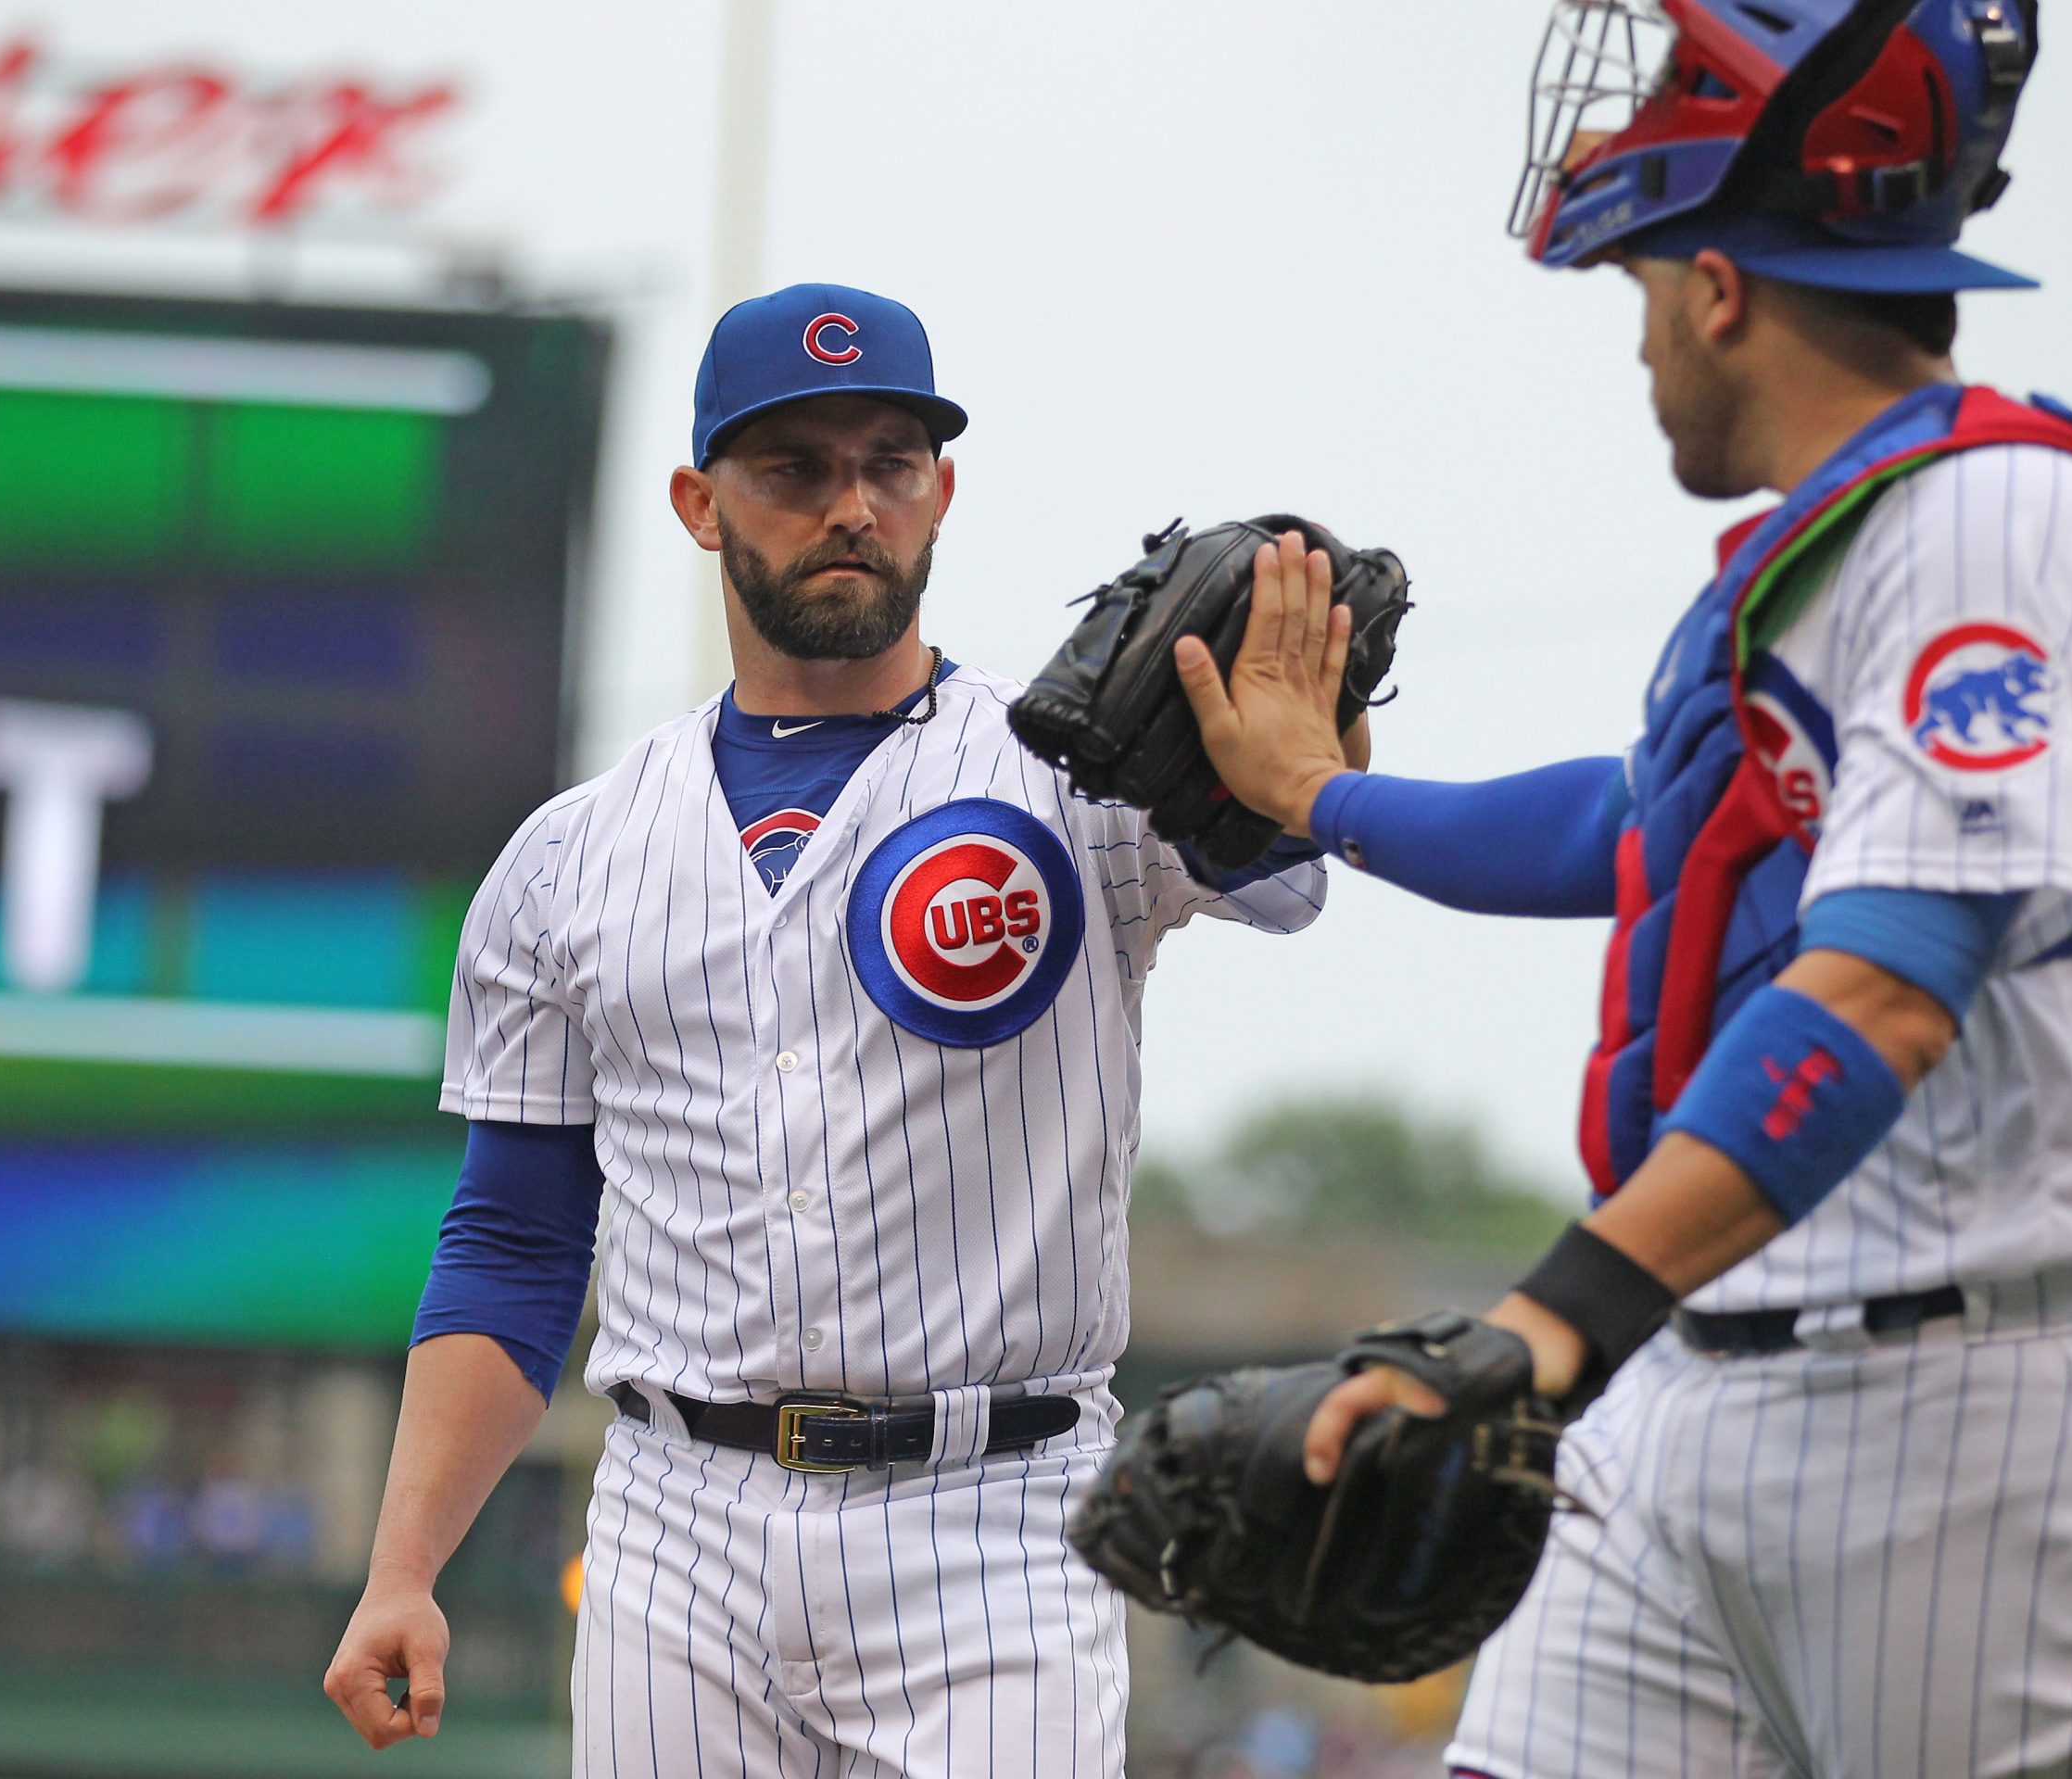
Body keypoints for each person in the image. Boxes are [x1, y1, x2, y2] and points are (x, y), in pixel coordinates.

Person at [1174, 5, 2072, 1773]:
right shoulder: (1825, 549)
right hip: (1692, 1391)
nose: (1648, 335)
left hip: (1982, 1417)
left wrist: (1545, 1319)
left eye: (1648, 284)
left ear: (1722, 288)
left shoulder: (1991, 527)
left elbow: (1885, 982)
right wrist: (1326, 796)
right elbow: (1653, 838)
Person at [322, 282, 1351, 1777]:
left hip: (996, 1513)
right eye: (795, 469)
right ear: (700, 502)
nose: (852, 505)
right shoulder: (572, 854)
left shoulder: (1077, 775)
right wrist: (403, 1567)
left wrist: (1312, 755)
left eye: (891, 463)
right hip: (682, 1521)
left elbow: (1287, 865)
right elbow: (518, 1238)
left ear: (942, 493)